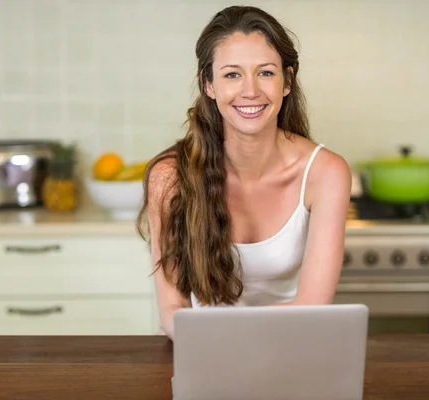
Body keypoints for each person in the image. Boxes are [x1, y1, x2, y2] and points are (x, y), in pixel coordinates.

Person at [136, 5, 351, 340]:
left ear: (287, 82)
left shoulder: (325, 173)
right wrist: (220, 347)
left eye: (265, 72)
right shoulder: (168, 177)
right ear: (209, 85)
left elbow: (313, 305)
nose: (250, 91)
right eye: (232, 74)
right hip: (202, 351)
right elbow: (172, 309)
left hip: (292, 347)